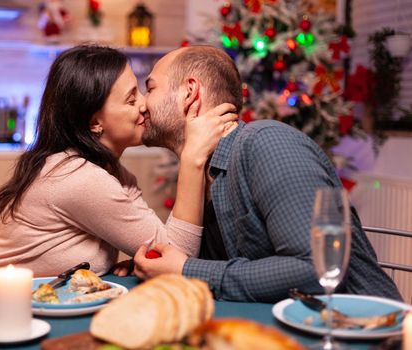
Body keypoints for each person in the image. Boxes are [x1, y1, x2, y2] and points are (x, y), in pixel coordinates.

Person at [0, 45, 237, 301]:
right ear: (95, 121)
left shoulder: (113, 174)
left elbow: (160, 251)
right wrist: (191, 160)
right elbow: (176, 256)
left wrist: (137, 261)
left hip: (28, 307)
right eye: (131, 98)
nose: (145, 104)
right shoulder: (77, 177)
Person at [132, 45, 402, 303]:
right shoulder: (198, 169)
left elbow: (315, 269)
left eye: (150, 88)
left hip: (358, 329)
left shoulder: (266, 144)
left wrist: (189, 270)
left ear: (190, 92)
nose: (141, 104)